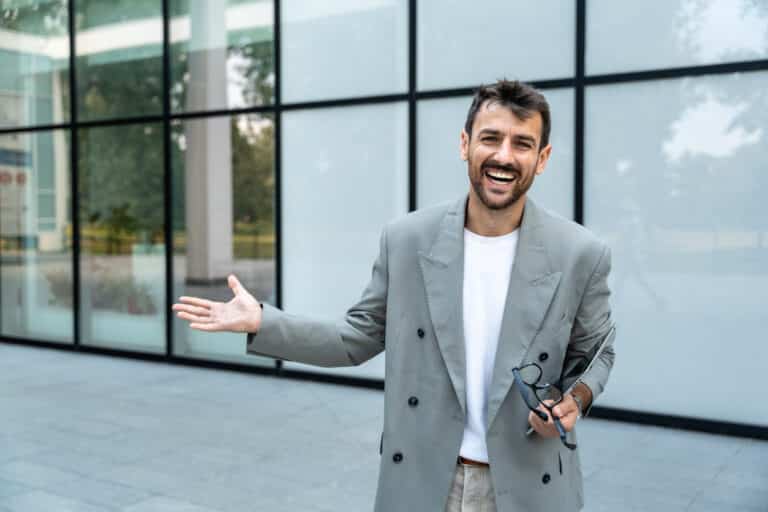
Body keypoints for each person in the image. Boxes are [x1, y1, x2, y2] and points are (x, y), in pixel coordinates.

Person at [173, 79, 616, 512]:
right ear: (465, 145)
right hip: (424, 480)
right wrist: (263, 322)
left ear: (542, 158)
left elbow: (597, 354)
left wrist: (573, 401)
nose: (503, 155)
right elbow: (355, 339)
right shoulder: (407, 240)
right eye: (490, 138)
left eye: (522, 143)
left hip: (529, 485)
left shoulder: (580, 253)